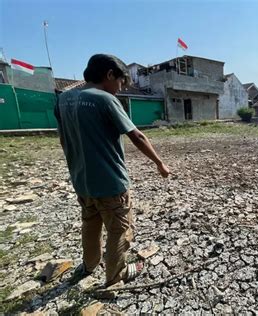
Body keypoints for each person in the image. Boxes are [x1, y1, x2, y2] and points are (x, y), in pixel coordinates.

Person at [54, 54, 170, 287]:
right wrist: (160, 163)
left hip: (82, 182)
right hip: (110, 183)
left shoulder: (64, 99)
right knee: (119, 229)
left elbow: (64, 140)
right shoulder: (104, 99)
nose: (119, 89)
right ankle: (116, 274)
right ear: (109, 75)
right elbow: (136, 135)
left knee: (90, 223)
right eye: (120, 83)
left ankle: (89, 265)